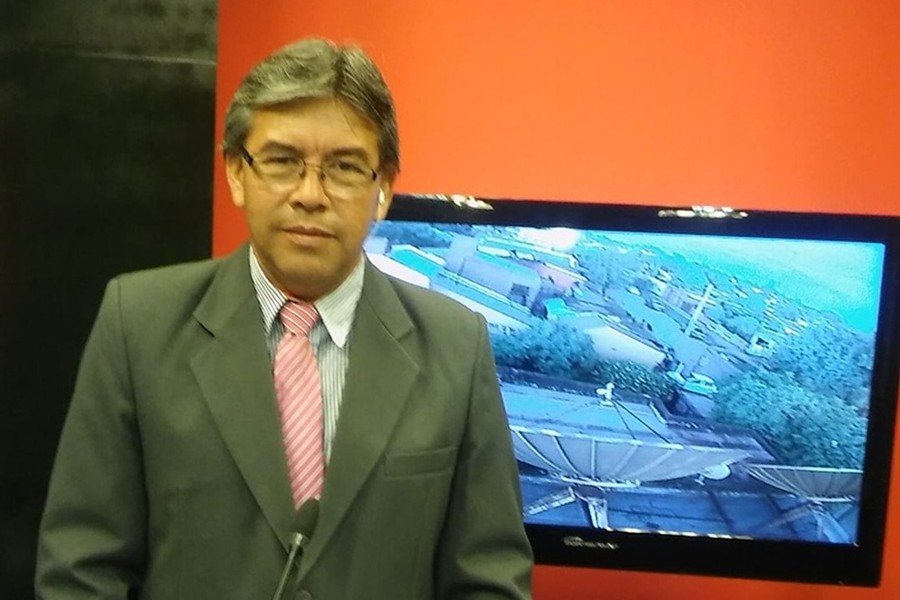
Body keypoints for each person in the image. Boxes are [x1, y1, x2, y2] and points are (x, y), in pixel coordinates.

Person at [35, 38, 533, 599]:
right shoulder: (138, 324)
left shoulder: (456, 346)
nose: (310, 194)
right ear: (236, 172)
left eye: (344, 167)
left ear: (384, 187)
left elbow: (489, 579)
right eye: (281, 161)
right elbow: (81, 570)